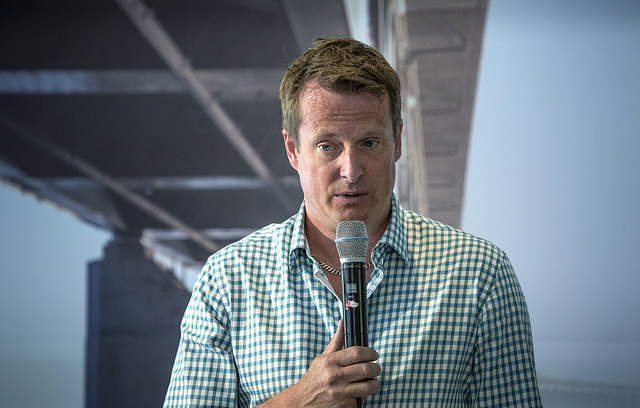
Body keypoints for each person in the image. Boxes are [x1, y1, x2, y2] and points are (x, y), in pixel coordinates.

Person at [163, 37, 542, 407]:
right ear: (293, 150)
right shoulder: (229, 278)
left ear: (397, 141)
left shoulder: (478, 273)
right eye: (328, 146)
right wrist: (299, 401)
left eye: (369, 143)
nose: (351, 170)